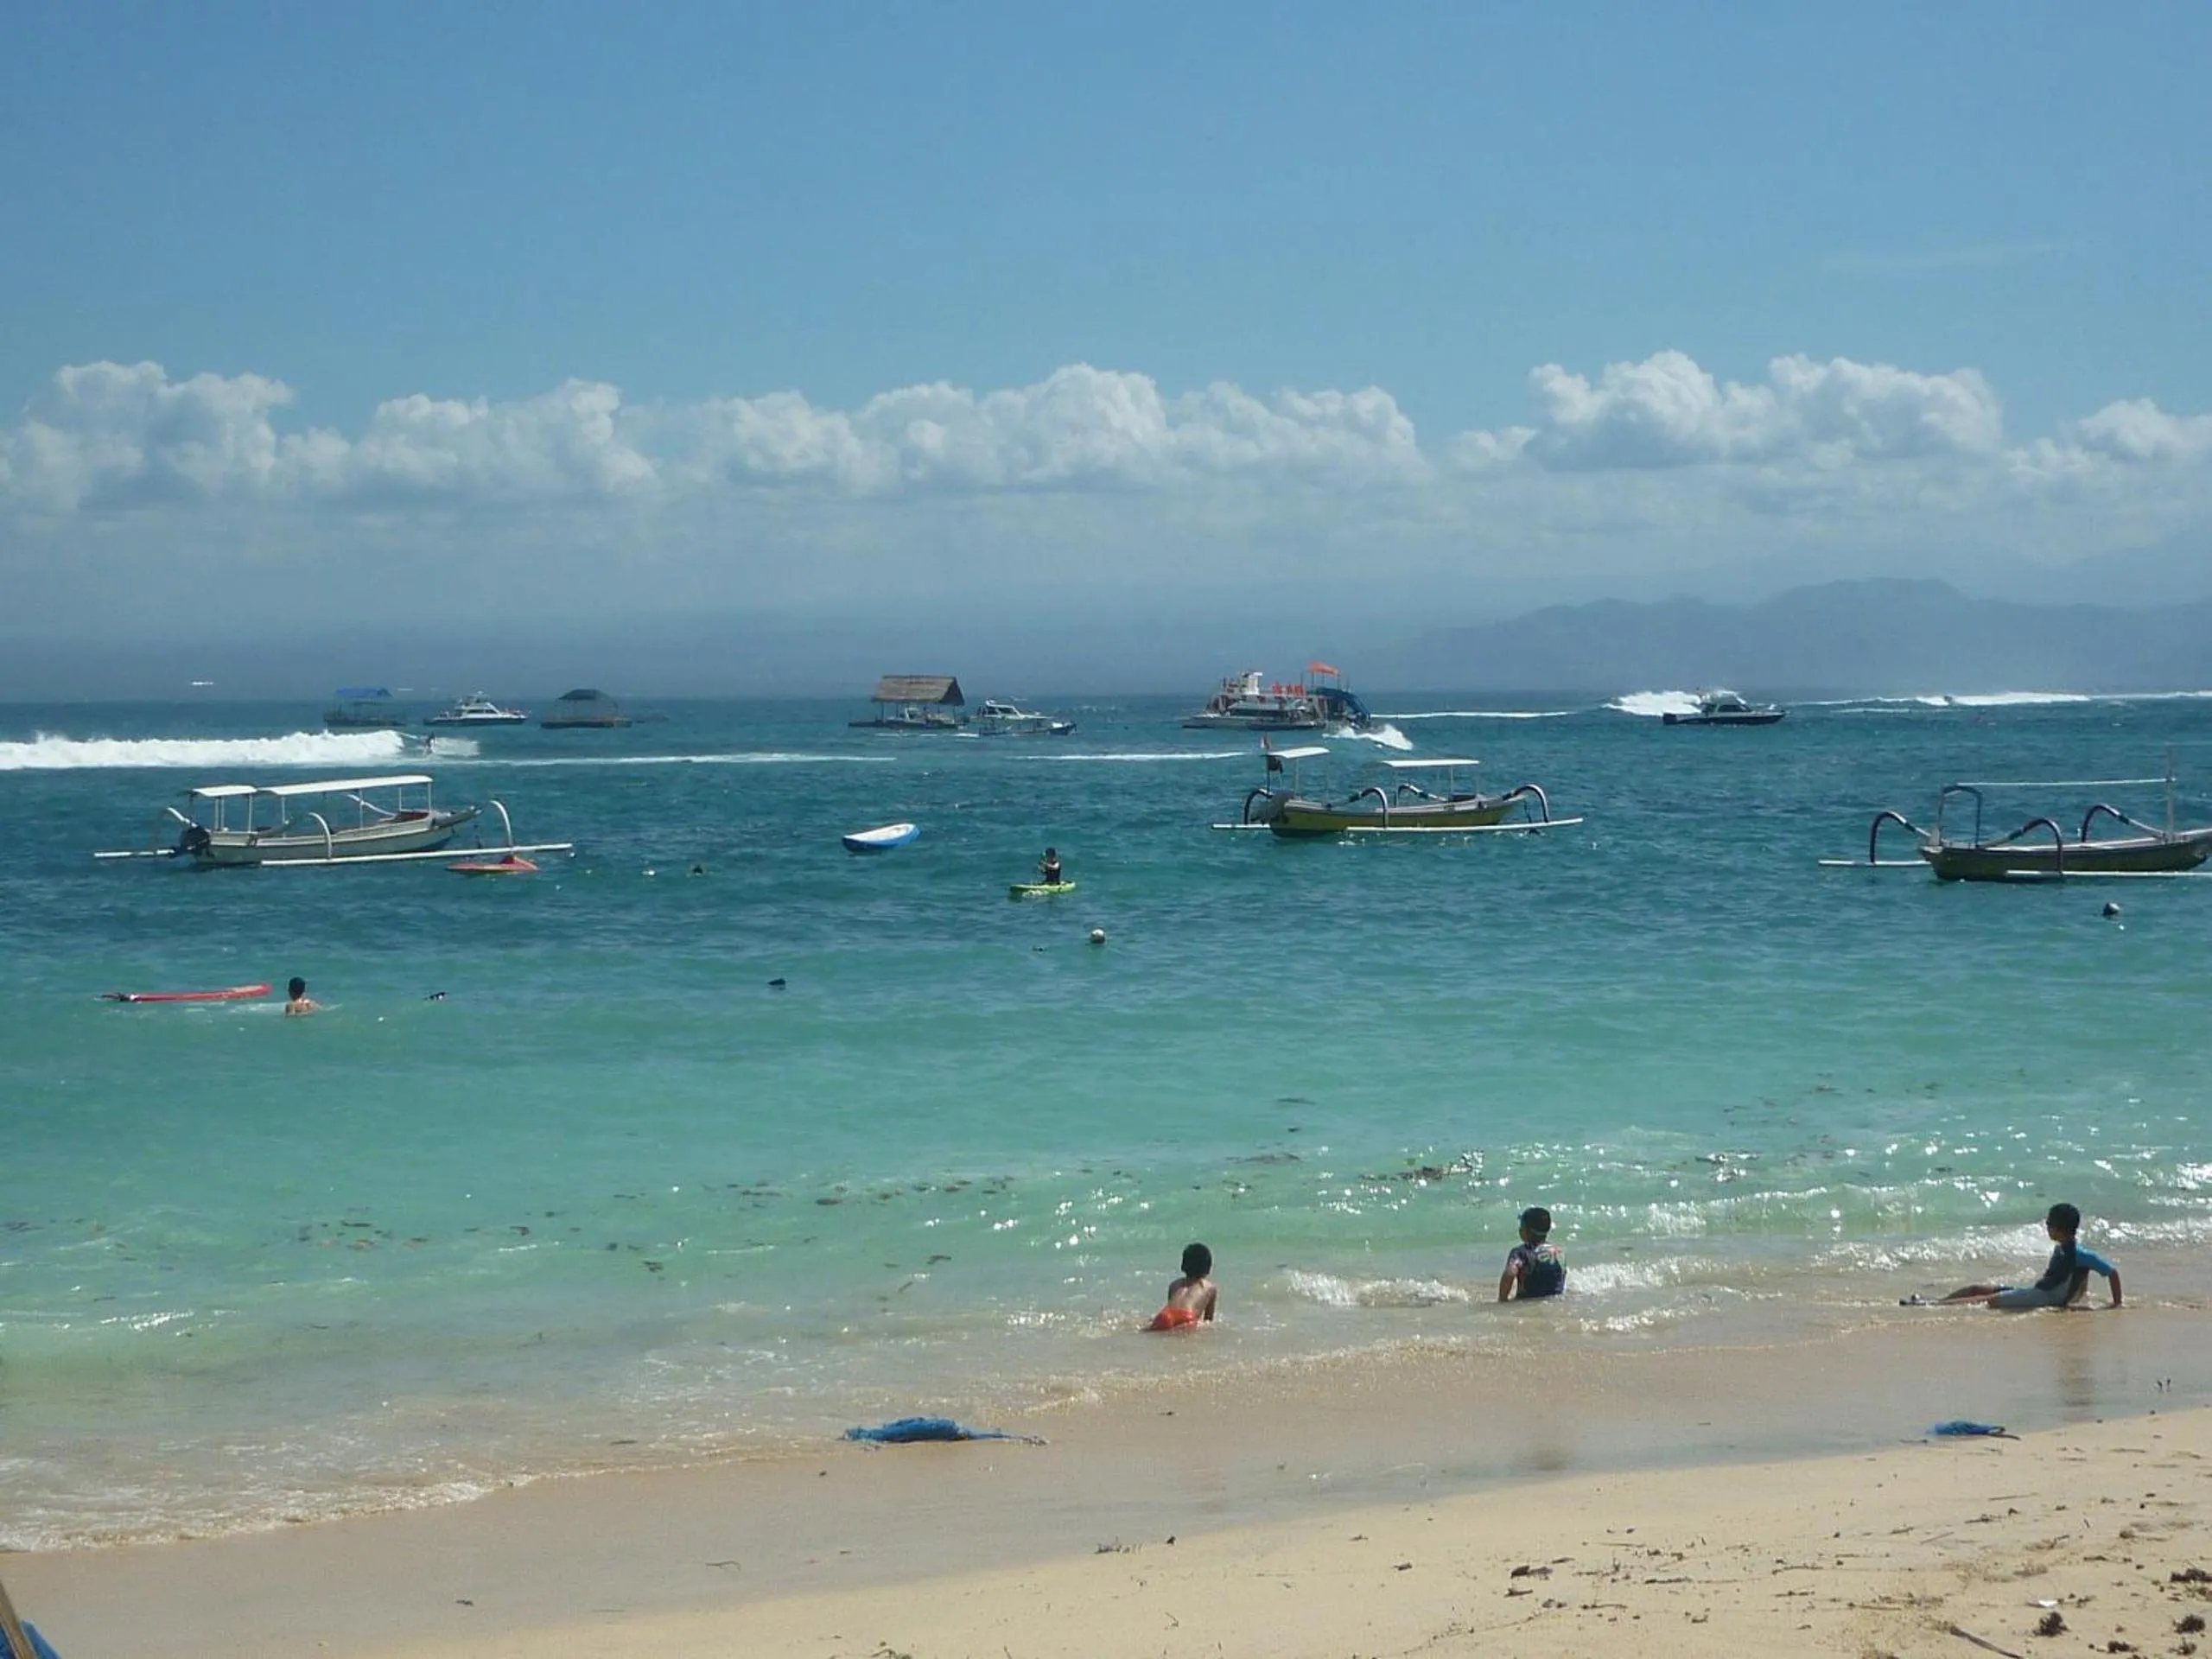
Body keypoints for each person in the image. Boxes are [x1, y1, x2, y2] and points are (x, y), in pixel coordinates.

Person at [1916, 1203, 2121, 1310]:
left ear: (2060, 1229)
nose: (2046, 1227)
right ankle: (1937, 1301)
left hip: (2046, 1299)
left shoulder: (2081, 1254)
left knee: (1989, 1300)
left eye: (2049, 1224)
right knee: (1976, 1289)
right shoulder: (2061, 1247)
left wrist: (2116, 1304)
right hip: (2037, 1292)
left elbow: (2112, 1272)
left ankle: (1931, 1306)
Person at [1498, 1206, 1566, 1301]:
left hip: (1526, 1301)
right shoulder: (1559, 1252)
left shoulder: (1521, 1252)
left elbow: (1510, 1273)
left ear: (1527, 1231)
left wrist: (1502, 1299)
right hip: (1554, 1301)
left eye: (1522, 1225)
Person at [1147, 1243, 1217, 1331]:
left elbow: (1173, 1307)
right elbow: (1208, 1320)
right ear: (1208, 1267)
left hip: (1164, 1316)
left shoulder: (1174, 1284)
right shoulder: (1210, 1287)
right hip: (1187, 1317)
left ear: (1184, 1265)